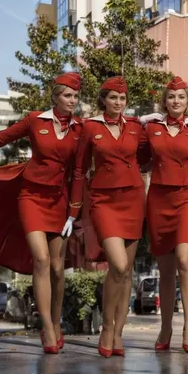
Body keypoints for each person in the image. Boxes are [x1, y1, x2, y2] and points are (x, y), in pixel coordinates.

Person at [0, 72, 83, 354]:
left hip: (60, 202)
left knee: (59, 269)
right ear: (55, 97)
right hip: (31, 197)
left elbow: (85, 166)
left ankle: (56, 322)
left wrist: (74, 210)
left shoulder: (80, 129)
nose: (73, 101)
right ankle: (46, 327)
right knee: (42, 259)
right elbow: (0, 140)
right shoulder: (36, 120)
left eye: (75, 96)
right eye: (68, 96)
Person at [62, 76, 147, 358]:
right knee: (119, 266)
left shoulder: (136, 127)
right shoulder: (91, 127)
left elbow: (151, 155)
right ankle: (107, 328)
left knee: (127, 273)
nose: (118, 103)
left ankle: (119, 332)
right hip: (103, 201)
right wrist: (73, 211)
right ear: (103, 100)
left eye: (122, 99)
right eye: (113, 98)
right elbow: (78, 169)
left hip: (134, 199)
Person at [141, 77, 188, 353]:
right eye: (171, 97)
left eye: (181, 97)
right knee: (166, 271)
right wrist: (141, 122)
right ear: (164, 100)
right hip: (158, 201)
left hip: (186, 199)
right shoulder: (153, 128)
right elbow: (137, 155)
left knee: (185, 260)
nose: (176, 101)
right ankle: (166, 326)